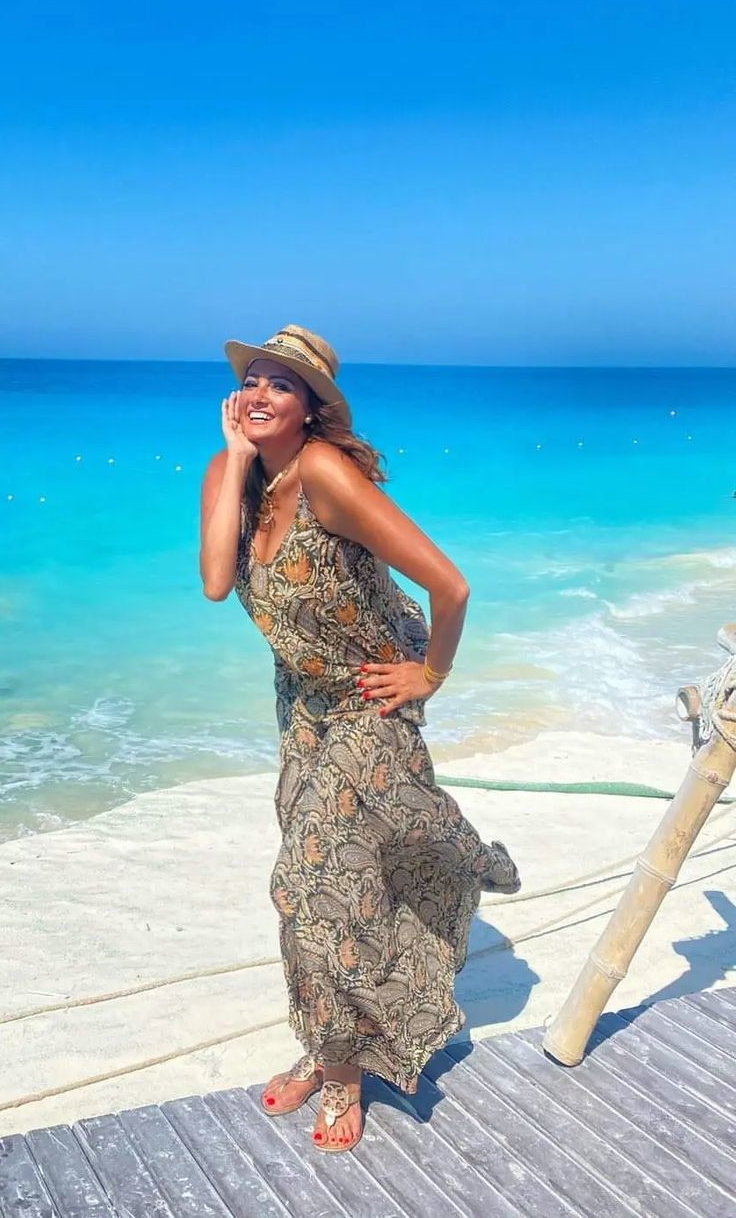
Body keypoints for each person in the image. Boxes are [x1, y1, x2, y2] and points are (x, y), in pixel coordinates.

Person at [199, 324, 520, 1154]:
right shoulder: (232, 476)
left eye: (282, 384)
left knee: (311, 887)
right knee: (327, 888)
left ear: (311, 408)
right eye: (253, 378)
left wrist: (430, 675)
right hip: (304, 707)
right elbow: (216, 583)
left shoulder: (327, 476)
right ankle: (330, 1040)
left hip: (369, 705)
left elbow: (451, 586)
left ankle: (343, 1071)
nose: (261, 392)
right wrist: (235, 459)